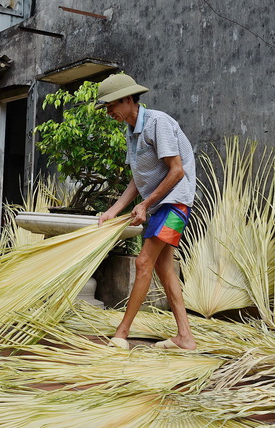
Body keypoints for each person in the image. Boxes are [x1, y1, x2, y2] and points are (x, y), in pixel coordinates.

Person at [96, 73, 198, 350]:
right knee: (164, 268)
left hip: (174, 203)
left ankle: (122, 334)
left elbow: (177, 172)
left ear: (128, 99)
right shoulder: (131, 131)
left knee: (143, 263)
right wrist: (114, 210)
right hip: (159, 204)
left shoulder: (157, 123)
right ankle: (185, 338)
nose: (108, 113)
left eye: (111, 106)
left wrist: (144, 204)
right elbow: (136, 179)